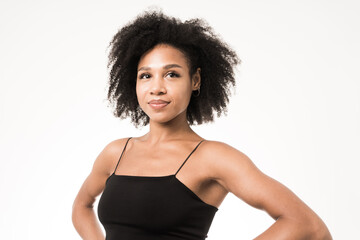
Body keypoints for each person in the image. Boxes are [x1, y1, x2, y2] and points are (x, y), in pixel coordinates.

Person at [72, 10, 332, 240]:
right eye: (146, 75)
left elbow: (308, 226)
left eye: (172, 74)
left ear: (195, 80)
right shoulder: (115, 153)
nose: (157, 88)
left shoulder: (213, 157)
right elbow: (81, 206)